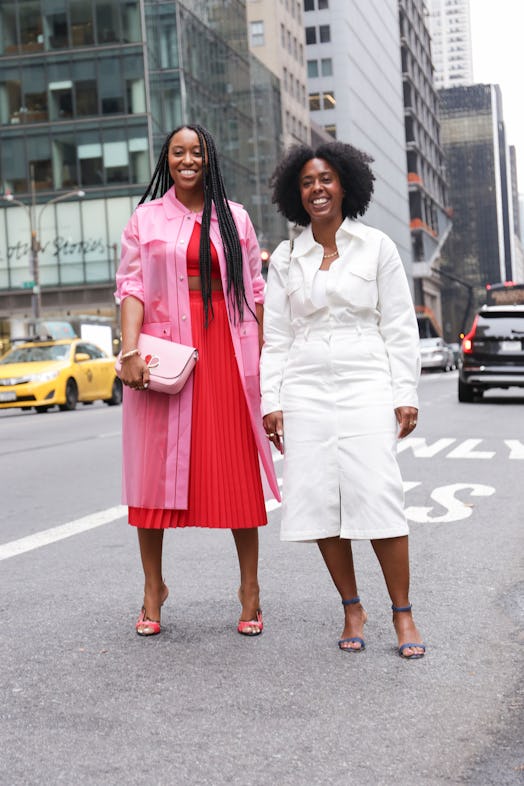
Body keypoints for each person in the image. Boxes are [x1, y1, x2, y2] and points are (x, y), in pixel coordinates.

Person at [260, 142, 425, 659]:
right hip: (305, 388)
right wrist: (272, 400)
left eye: (326, 179)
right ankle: (352, 607)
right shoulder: (287, 258)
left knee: (378, 495)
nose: (317, 189)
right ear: (296, 193)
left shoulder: (376, 247)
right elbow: (277, 337)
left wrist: (406, 393)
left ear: (345, 185)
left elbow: (398, 325)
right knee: (317, 503)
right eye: (308, 182)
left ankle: (404, 614)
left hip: (365, 382)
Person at [115, 124, 280, 637]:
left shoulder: (236, 218)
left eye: (197, 152)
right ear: (167, 160)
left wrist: (270, 364)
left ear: (209, 159)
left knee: (235, 471)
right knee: (151, 477)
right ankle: (152, 589)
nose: (188, 160)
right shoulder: (146, 218)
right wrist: (129, 351)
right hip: (162, 357)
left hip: (228, 353)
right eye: (178, 152)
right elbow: (132, 287)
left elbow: (255, 290)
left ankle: (250, 589)